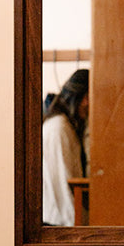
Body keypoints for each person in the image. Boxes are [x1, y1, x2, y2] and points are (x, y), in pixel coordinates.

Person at [42, 68, 89, 226]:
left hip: (61, 220)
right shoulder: (58, 127)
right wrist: (75, 228)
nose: (88, 104)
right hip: (59, 222)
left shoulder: (64, 125)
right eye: (87, 97)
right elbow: (61, 183)